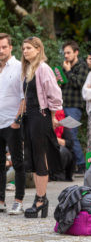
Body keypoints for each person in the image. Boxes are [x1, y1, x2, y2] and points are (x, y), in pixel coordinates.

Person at [21, 37, 63, 218]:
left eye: (29, 48)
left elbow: (54, 93)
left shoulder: (43, 68)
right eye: (23, 48)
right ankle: (40, 198)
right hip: (29, 117)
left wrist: (54, 116)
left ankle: (41, 199)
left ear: (38, 49)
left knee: (40, 157)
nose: (25, 51)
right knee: (32, 157)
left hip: (41, 115)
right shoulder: (27, 68)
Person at [0, 33, 25, 215]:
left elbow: (24, 97)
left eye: (4, 47)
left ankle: (18, 200)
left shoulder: (18, 67)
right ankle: (1, 200)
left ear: (11, 48)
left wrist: (17, 120)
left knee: (17, 163)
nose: (1, 51)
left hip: (12, 122)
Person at [61, 41, 88, 173]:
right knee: (65, 135)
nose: (66, 55)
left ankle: (81, 165)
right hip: (63, 105)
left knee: (72, 134)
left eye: (68, 52)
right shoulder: (65, 66)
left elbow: (78, 83)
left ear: (76, 52)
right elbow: (62, 85)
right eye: (65, 53)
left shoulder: (82, 66)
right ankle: (70, 166)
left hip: (74, 106)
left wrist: (68, 71)